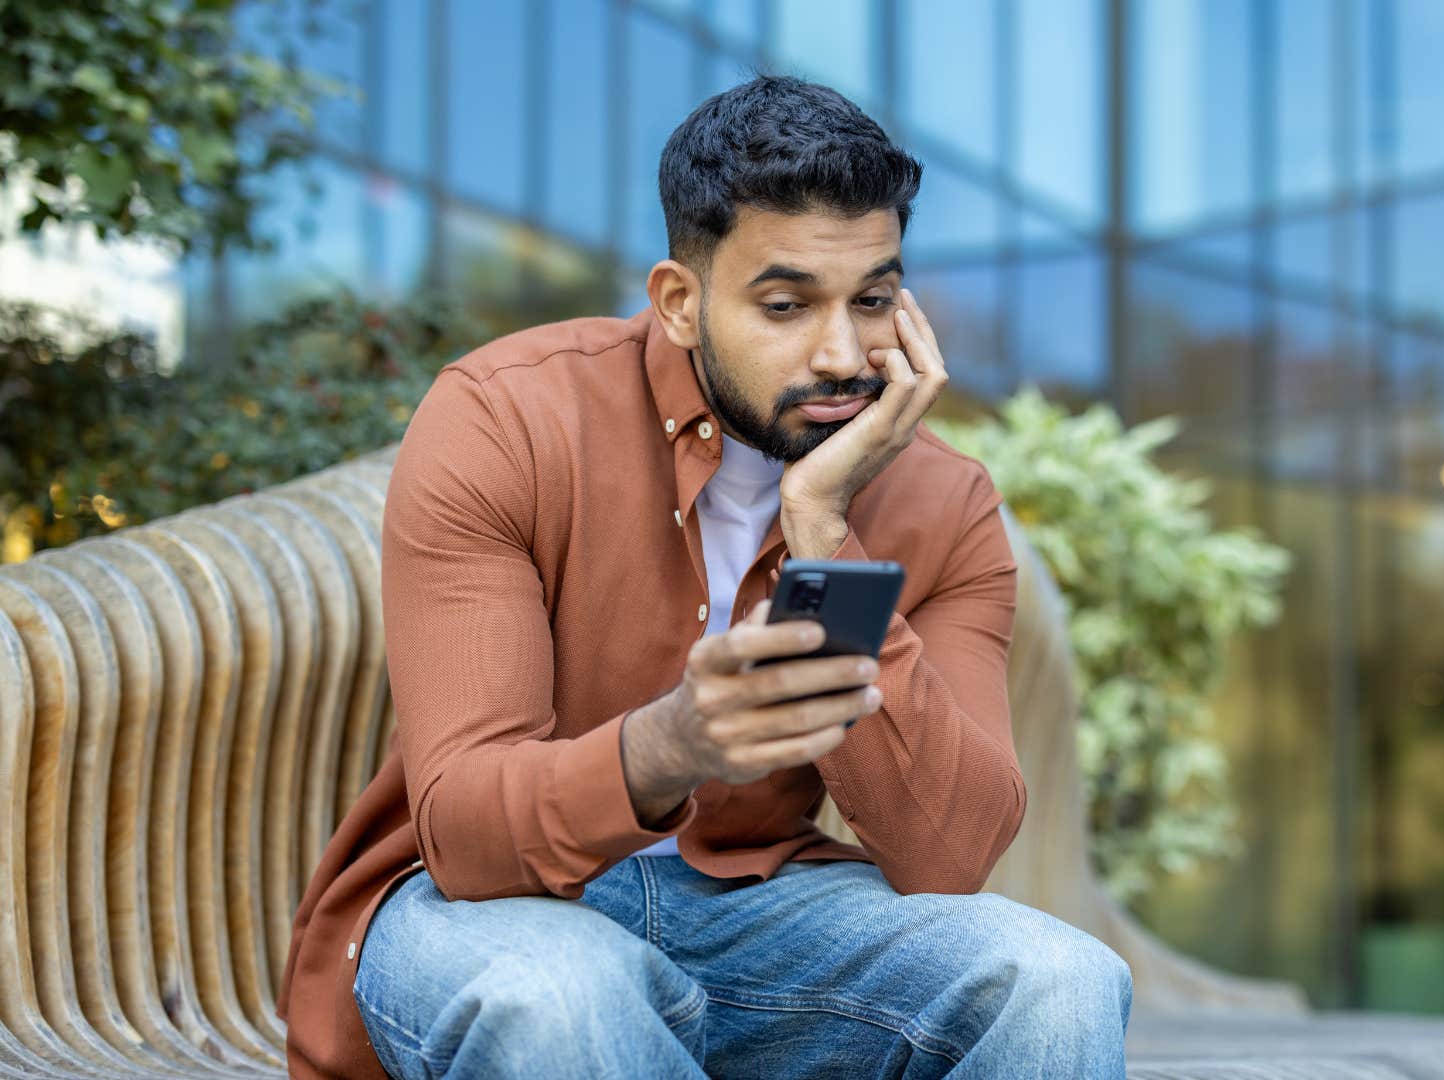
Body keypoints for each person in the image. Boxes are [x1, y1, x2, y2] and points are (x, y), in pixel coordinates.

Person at [276, 74, 1133, 1079]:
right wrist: (669, 745)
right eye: (786, 304)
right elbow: (467, 833)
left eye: (875, 300)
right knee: (564, 998)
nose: (844, 353)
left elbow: (948, 854)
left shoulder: (941, 501)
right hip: (499, 912)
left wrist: (824, 531)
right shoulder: (508, 418)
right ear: (680, 302)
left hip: (761, 912)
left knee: (1055, 979)